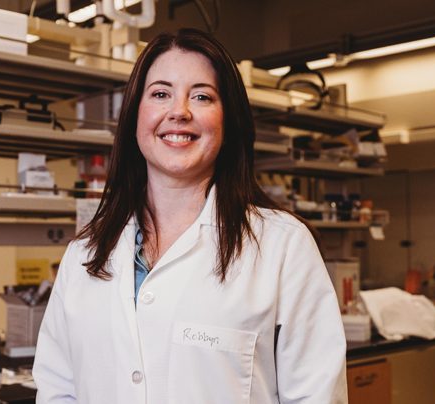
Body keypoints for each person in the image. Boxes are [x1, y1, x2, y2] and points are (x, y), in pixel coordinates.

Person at [33, 28, 347, 403]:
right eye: (161, 94)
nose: (178, 112)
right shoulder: (85, 253)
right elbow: (57, 390)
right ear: (136, 115)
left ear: (227, 121)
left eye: (201, 96)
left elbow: (316, 396)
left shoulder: (283, 246)